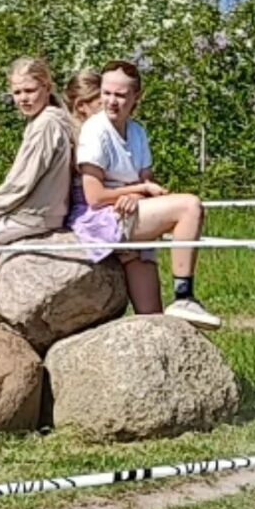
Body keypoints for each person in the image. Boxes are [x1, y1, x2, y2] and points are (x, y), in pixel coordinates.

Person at [72, 60, 221, 329]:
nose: (112, 101)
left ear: (136, 97)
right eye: (106, 93)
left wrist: (137, 195)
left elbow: (146, 182)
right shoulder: (94, 130)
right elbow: (94, 196)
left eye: (120, 95)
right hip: (101, 221)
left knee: (153, 319)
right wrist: (136, 191)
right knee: (190, 206)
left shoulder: (137, 132)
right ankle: (184, 294)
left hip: (131, 214)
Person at [0, 58, 73, 325]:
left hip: (30, 216)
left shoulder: (46, 124)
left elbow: (21, 184)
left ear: (47, 87)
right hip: (31, 211)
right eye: (17, 92)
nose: (23, 98)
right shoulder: (47, 119)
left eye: (30, 90)